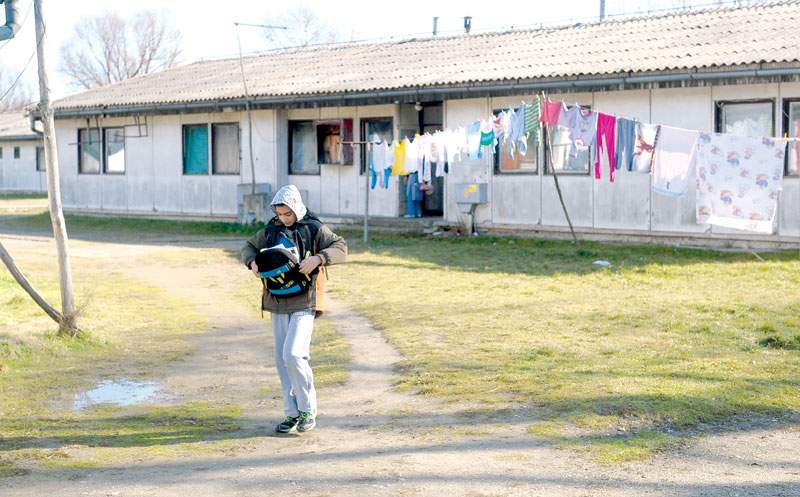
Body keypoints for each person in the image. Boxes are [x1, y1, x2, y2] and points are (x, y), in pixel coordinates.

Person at [241, 185, 347, 434]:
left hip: (305, 299)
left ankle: (308, 410)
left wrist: (319, 259)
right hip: (277, 301)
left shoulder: (314, 228)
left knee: (294, 354)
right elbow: (248, 247)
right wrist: (252, 262)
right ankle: (291, 414)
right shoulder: (269, 231)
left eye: (288, 214)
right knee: (281, 360)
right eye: (280, 214)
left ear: (297, 209)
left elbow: (340, 247)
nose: (284, 219)